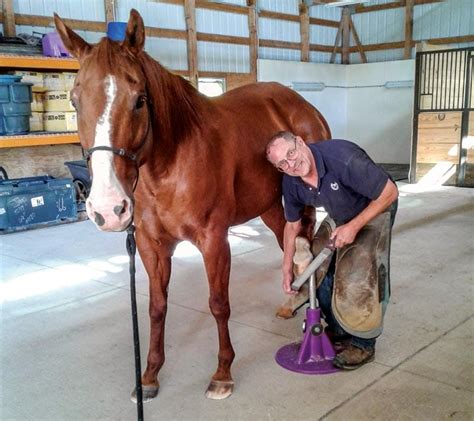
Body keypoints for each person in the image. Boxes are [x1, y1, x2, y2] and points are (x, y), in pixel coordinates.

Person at [266, 131, 399, 370]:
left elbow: (389, 192)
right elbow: (292, 224)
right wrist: (286, 267)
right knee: (318, 266)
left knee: (359, 273)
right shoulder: (291, 180)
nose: (291, 163)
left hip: (375, 206)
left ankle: (363, 344)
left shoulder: (342, 158)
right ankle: (339, 328)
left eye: (291, 153)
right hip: (341, 213)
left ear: (300, 141)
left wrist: (354, 226)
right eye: (282, 163)